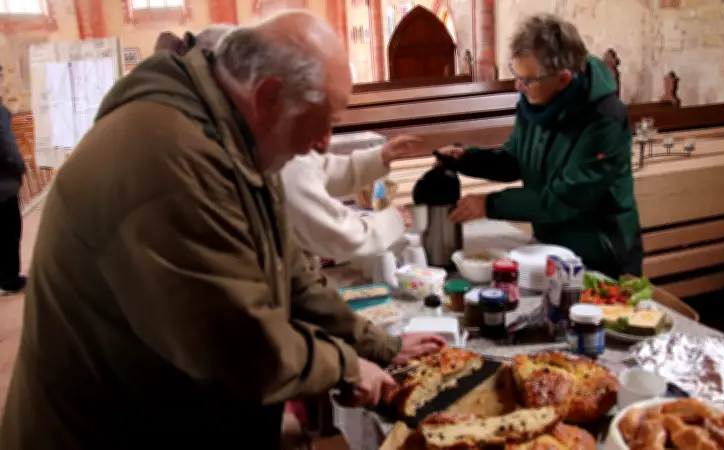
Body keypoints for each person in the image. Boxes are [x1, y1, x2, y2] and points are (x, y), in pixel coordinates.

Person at [0, 11, 445, 449]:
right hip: (105, 429)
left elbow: (294, 277)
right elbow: (238, 348)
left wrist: (380, 345)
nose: (325, 143)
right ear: (269, 95)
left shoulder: (240, 138)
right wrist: (347, 367)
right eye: (325, 121)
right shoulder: (169, 163)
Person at [440, 13, 643, 278]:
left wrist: (488, 204)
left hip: (601, 254)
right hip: (551, 247)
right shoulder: (535, 103)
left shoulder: (604, 118)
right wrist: (467, 159)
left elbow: (562, 199)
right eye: (517, 74)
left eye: (528, 79)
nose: (518, 86)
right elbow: (516, 159)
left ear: (563, 79)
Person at [281, 133, 418, 261]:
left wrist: (381, 157)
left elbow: (322, 169)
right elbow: (341, 237)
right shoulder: (288, 168)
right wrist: (392, 221)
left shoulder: (281, 148)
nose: (326, 139)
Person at [0, 71, 26, 294]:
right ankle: (8, 279)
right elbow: (7, 149)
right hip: (3, 186)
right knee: (9, 231)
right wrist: (20, 168)